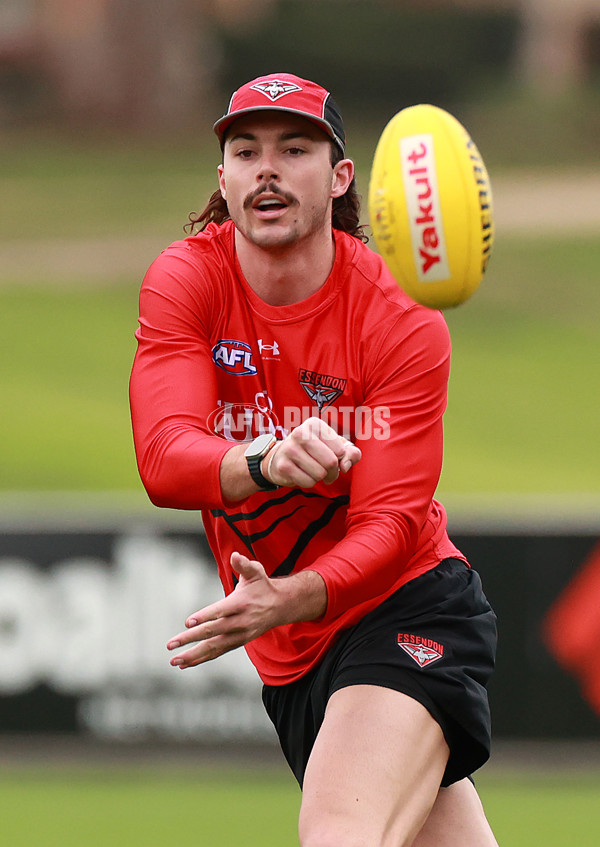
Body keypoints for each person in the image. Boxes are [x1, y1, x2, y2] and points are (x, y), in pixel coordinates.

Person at [129, 72, 498, 846]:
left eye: (294, 148)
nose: (267, 167)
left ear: (338, 178)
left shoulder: (399, 317)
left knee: (338, 831)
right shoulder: (187, 278)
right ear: (222, 179)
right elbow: (163, 458)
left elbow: (392, 523)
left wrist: (291, 595)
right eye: (245, 149)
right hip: (293, 656)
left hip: (405, 606)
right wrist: (263, 459)